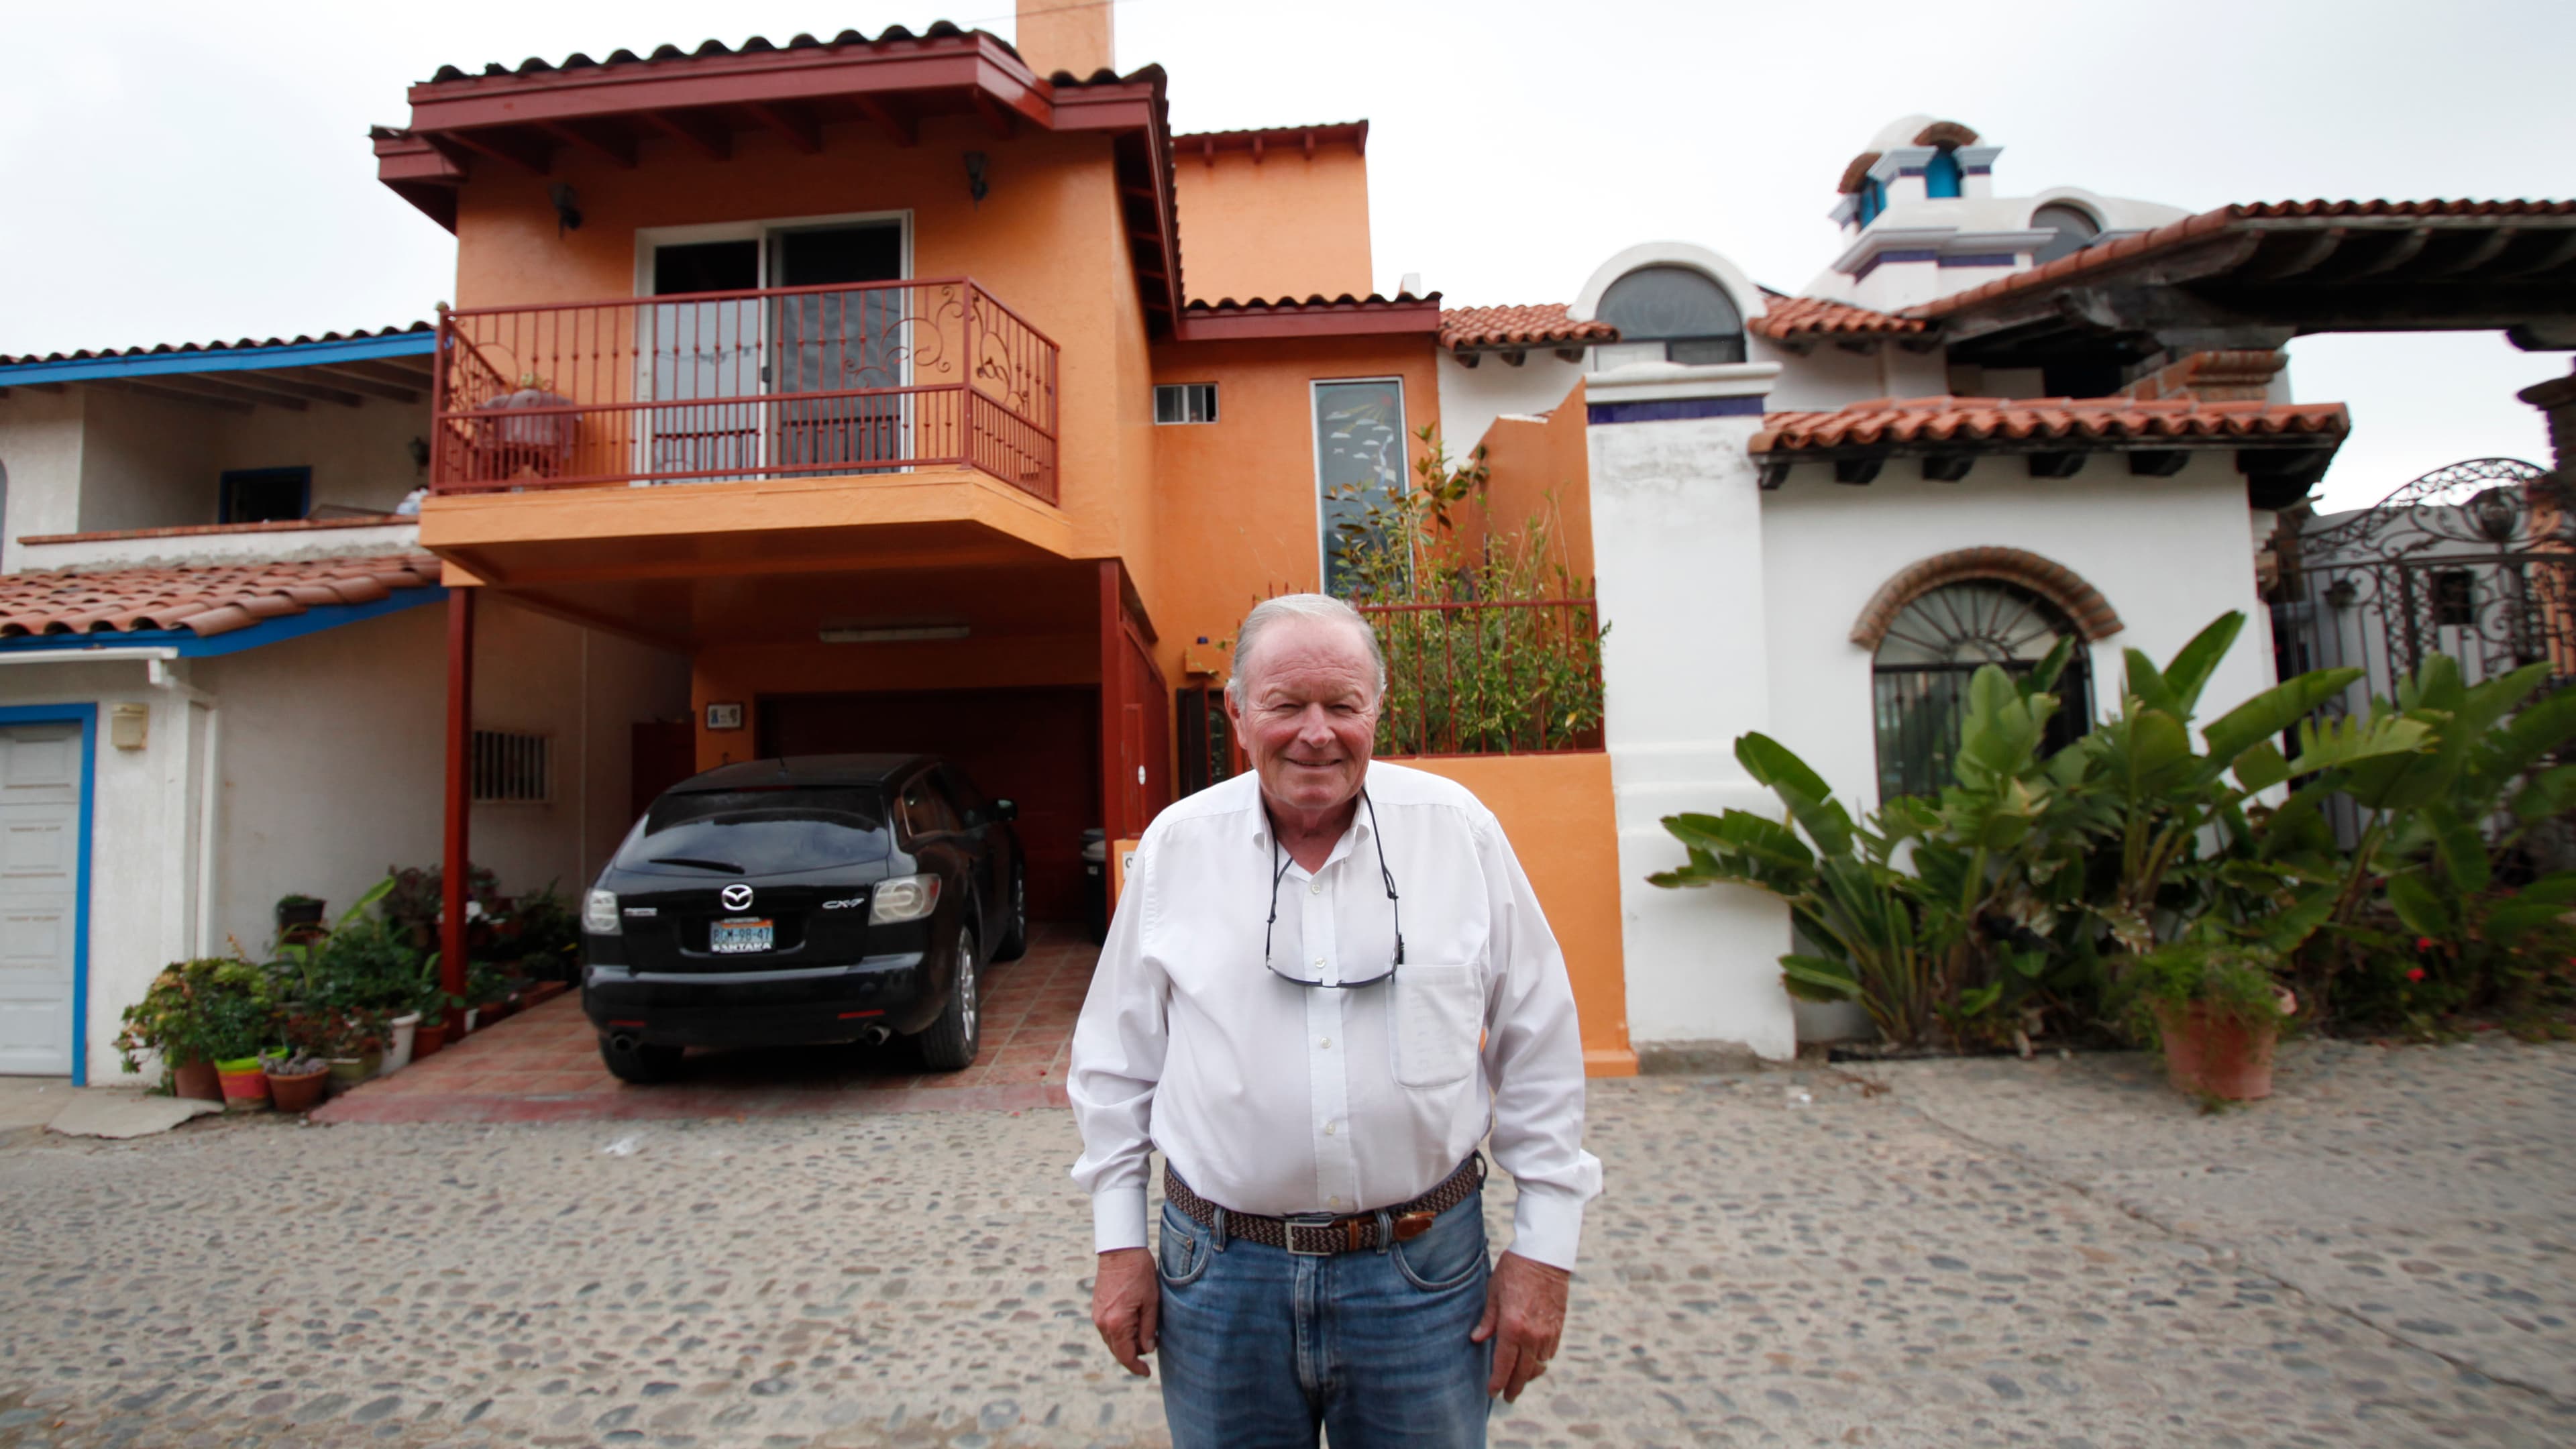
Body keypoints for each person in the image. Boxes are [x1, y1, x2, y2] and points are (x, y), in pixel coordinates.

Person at [1069, 593, 1603, 1447]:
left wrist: (1545, 1250)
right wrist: (1117, 1243)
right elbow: (1114, 1061)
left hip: (1424, 1279)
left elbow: (1537, 1042)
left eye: (1343, 705)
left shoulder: (1457, 833)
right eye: (1286, 705)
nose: (1316, 733)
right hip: (1220, 1281)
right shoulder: (1177, 849)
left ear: (1377, 709)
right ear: (1238, 713)